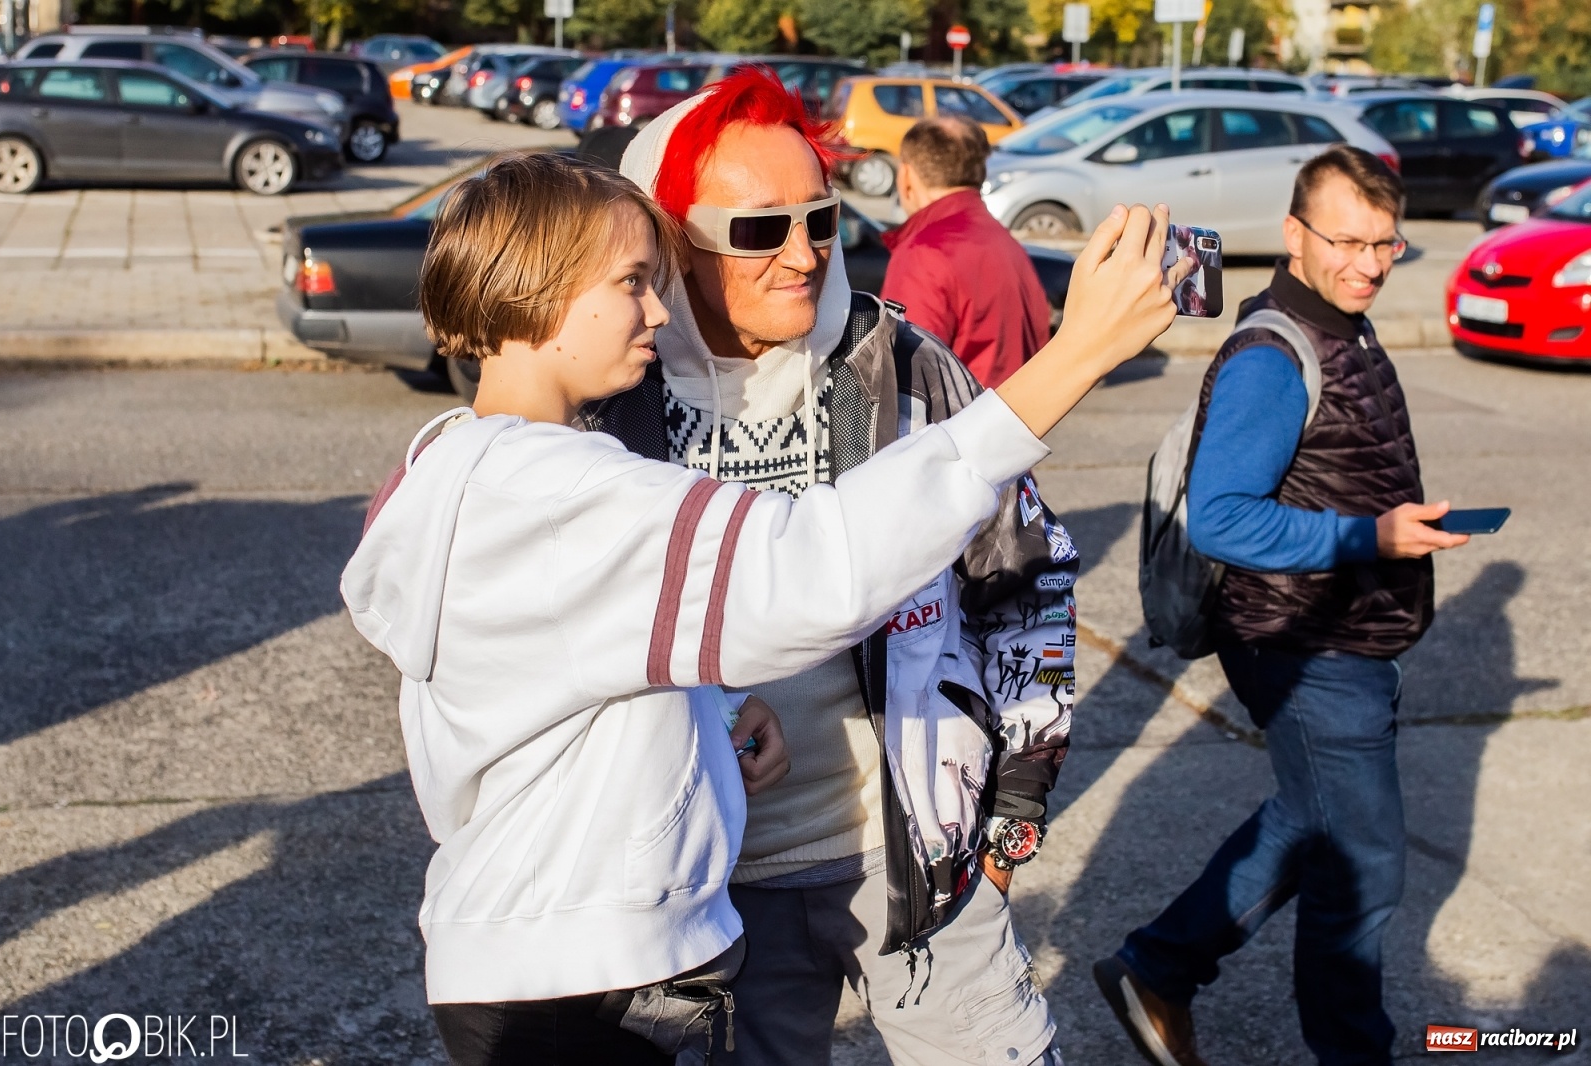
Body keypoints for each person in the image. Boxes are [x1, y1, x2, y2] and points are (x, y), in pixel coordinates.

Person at [341, 151, 1188, 1065]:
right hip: (586, 979)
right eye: (632, 282)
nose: (657, 310)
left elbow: (561, 672)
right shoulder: (570, 494)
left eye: (819, 217)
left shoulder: (454, 467)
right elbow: (816, 569)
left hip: (513, 951)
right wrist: (1081, 351)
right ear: (539, 293)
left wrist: (706, 715)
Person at [595, 67, 1089, 1066]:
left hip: (917, 859)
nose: (802, 254)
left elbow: (1026, 578)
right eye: (757, 229)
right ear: (670, 240)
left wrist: (1010, 813)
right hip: (708, 891)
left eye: (818, 218)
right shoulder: (614, 405)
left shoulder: (900, 370)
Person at [1092, 145, 1469, 1066]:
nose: (1370, 264)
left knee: (1314, 818)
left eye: (1387, 244)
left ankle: (1158, 967)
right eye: (1347, 240)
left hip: (1339, 633)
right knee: (1364, 867)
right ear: (1294, 236)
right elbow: (1221, 520)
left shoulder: (1345, 321)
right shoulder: (1274, 353)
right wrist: (1371, 539)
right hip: (1301, 644)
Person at [879, 115, 1052, 387]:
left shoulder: (923, 253)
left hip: (957, 424)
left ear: (907, 176)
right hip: (1010, 419)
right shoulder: (1003, 242)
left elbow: (903, 379)